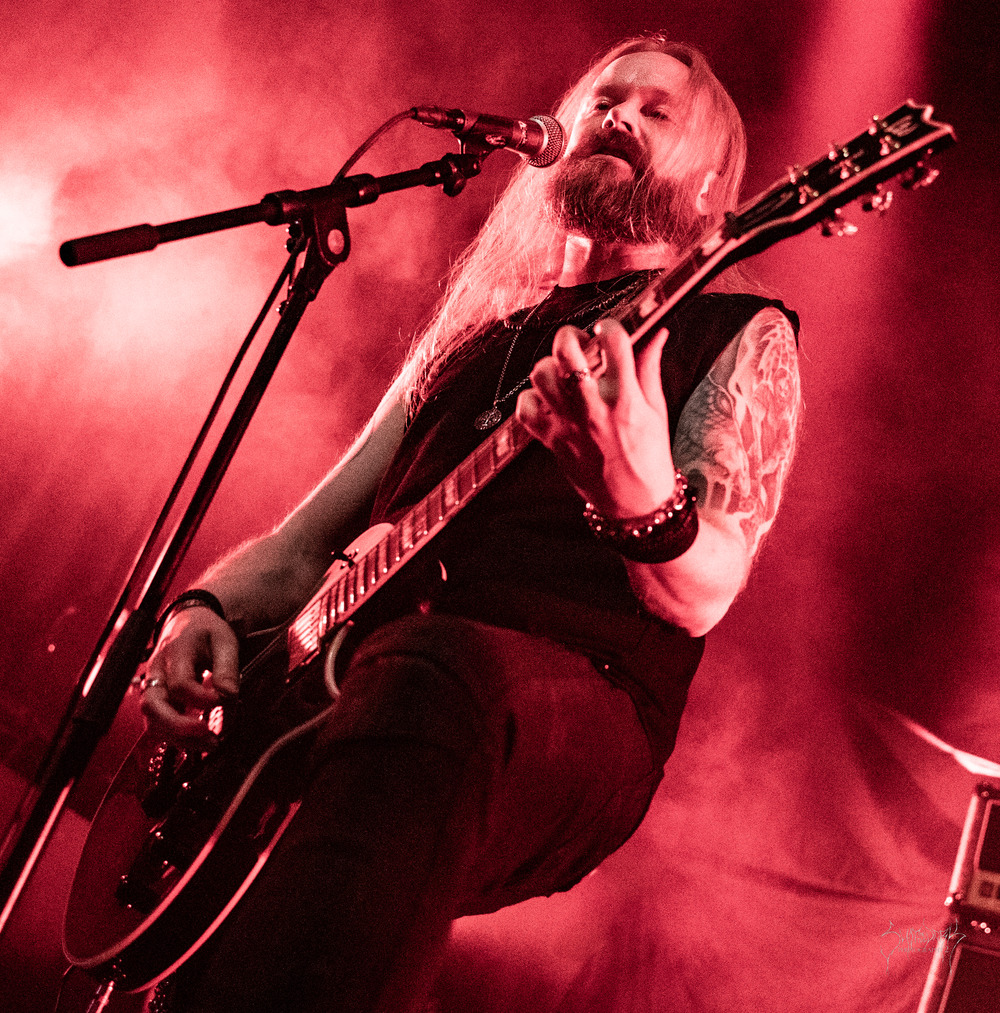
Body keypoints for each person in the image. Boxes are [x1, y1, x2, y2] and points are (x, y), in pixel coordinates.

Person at [140, 33, 800, 1013]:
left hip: (575, 708)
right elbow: (300, 545)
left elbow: (706, 592)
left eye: (655, 111)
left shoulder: (735, 330)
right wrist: (199, 611)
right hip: (370, 685)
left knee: (432, 667)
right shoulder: (471, 343)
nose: (617, 116)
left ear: (712, 187)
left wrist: (641, 499)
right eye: (604, 100)